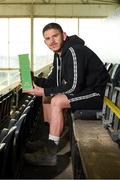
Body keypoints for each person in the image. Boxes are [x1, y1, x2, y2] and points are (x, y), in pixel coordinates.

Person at [23, 22, 110, 166]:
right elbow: (54, 82)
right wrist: (34, 80)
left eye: (55, 36)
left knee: (57, 100)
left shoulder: (74, 50)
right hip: (86, 91)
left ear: (63, 35)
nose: (52, 41)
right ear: (45, 42)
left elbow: (73, 87)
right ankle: (49, 141)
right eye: (48, 38)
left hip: (99, 95)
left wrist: (43, 90)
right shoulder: (59, 55)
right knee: (48, 97)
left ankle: (50, 154)